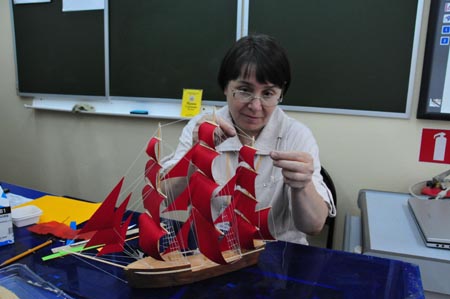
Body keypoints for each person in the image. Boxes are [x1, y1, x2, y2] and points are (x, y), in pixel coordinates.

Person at [162, 33, 336, 245]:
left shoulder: (296, 135)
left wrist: (303, 185)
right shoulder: (201, 128)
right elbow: (165, 196)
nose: (256, 106)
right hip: (211, 252)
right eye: (244, 90)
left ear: (280, 94)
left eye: (268, 93)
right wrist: (195, 155)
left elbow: (314, 226)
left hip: (278, 254)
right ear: (225, 87)